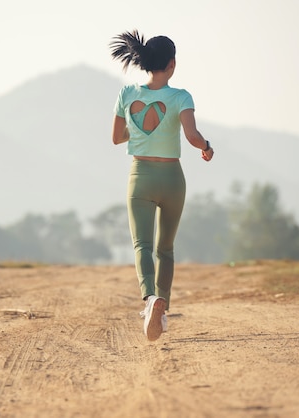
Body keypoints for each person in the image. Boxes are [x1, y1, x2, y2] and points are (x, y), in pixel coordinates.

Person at [109, 30, 214, 341]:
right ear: (172, 64)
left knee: (142, 245)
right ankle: (163, 307)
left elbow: (116, 138)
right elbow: (192, 137)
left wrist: (141, 133)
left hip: (140, 176)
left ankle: (149, 299)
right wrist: (206, 146)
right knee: (165, 248)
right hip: (172, 178)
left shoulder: (127, 94)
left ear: (144, 62)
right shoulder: (181, 97)